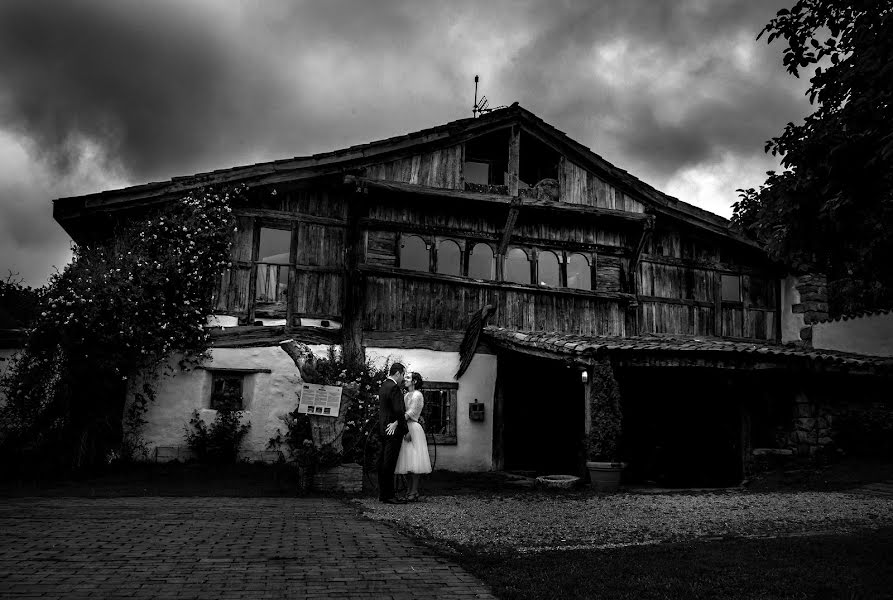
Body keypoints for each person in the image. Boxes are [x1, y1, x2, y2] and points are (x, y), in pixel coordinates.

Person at [395, 371, 431, 501]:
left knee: (415, 461)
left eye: (408, 378)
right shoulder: (406, 395)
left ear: (414, 381)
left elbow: (411, 412)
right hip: (405, 427)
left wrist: (398, 422)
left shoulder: (417, 395)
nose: (405, 380)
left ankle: (414, 490)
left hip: (413, 428)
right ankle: (410, 490)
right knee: (407, 462)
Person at [377, 362, 408, 504]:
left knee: (384, 462)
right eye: (403, 375)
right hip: (393, 430)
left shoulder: (384, 385)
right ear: (397, 373)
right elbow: (398, 410)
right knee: (389, 463)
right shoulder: (394, 387)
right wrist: (405, 429)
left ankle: (383, 494)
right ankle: (388, 495)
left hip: (384, 428)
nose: (403, 378)